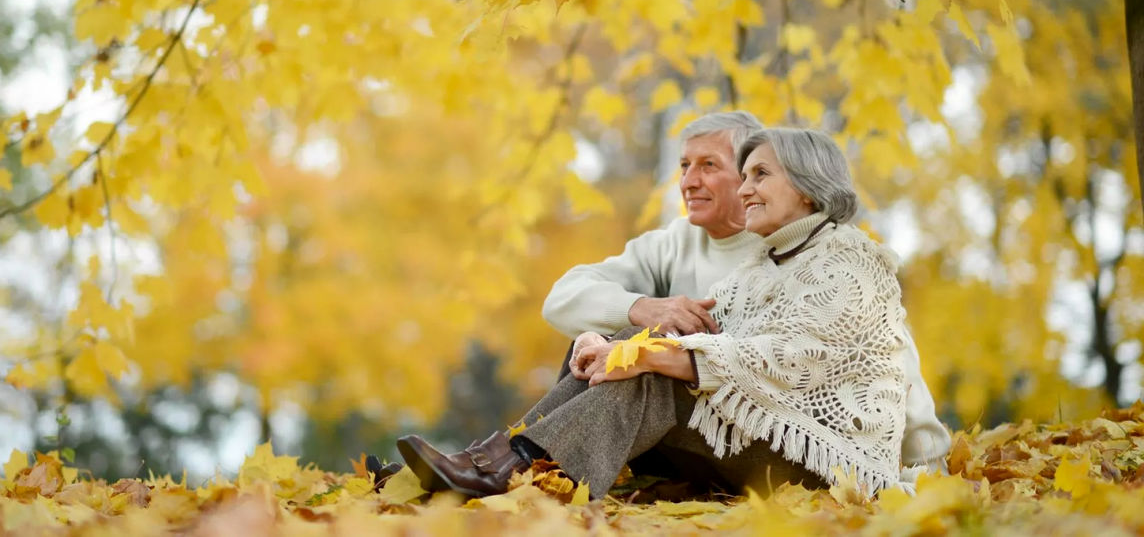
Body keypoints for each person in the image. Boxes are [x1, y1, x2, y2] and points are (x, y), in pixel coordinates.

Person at [397, 128, 927, 498]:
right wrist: (616, 343)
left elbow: (787, 359)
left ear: (810, 189)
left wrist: (646, 356)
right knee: (635, 337)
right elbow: (713, 338)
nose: (745, 190)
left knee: (651, 368)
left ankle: (509, 473)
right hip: (760, 441)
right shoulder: (764, 265)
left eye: (760, 175)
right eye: (743, 176)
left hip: (829, 466)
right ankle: (490, 465)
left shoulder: (852, 261)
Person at [542, 112, 949, 480]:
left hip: (814, 453)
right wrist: (635, 320)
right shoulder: (742, 258)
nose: (689, 181)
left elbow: (884, 362)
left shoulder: (834, 257)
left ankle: (528, 465)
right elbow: (568, 298)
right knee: (610, 347)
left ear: (802, 187)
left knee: (644, 367)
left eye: (755, 175)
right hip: (737, 433)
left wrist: (929, 463)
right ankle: (522, 462)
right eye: (684, 166)